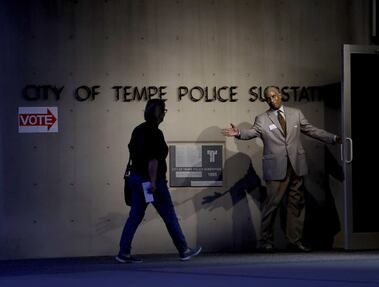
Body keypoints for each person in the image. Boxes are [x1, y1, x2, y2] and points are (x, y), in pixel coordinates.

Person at [222, 86, 341, 252]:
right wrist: (239, 133)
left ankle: (295, 241)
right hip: (276, 168)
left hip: (296, 166)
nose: (271, 100)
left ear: (279, 96)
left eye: (273, 96)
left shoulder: (296, 114)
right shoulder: (262, 118)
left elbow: (311, 130)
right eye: (268, 98)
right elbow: (251, 132)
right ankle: (265, 242)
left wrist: (333, 138)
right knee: (272, 205)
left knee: (296, 204)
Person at [116, 99, 202, 263]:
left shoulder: (138, 130)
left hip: (135, 179)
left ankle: (123, 253)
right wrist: (154, 182)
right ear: (158, 113)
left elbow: (135, 154)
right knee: (169, 215)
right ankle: (184, 250)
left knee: (134, 216)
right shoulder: (155, 133)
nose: (164, 114)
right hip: (151, 182)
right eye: (163, 111)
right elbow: (153, 159)